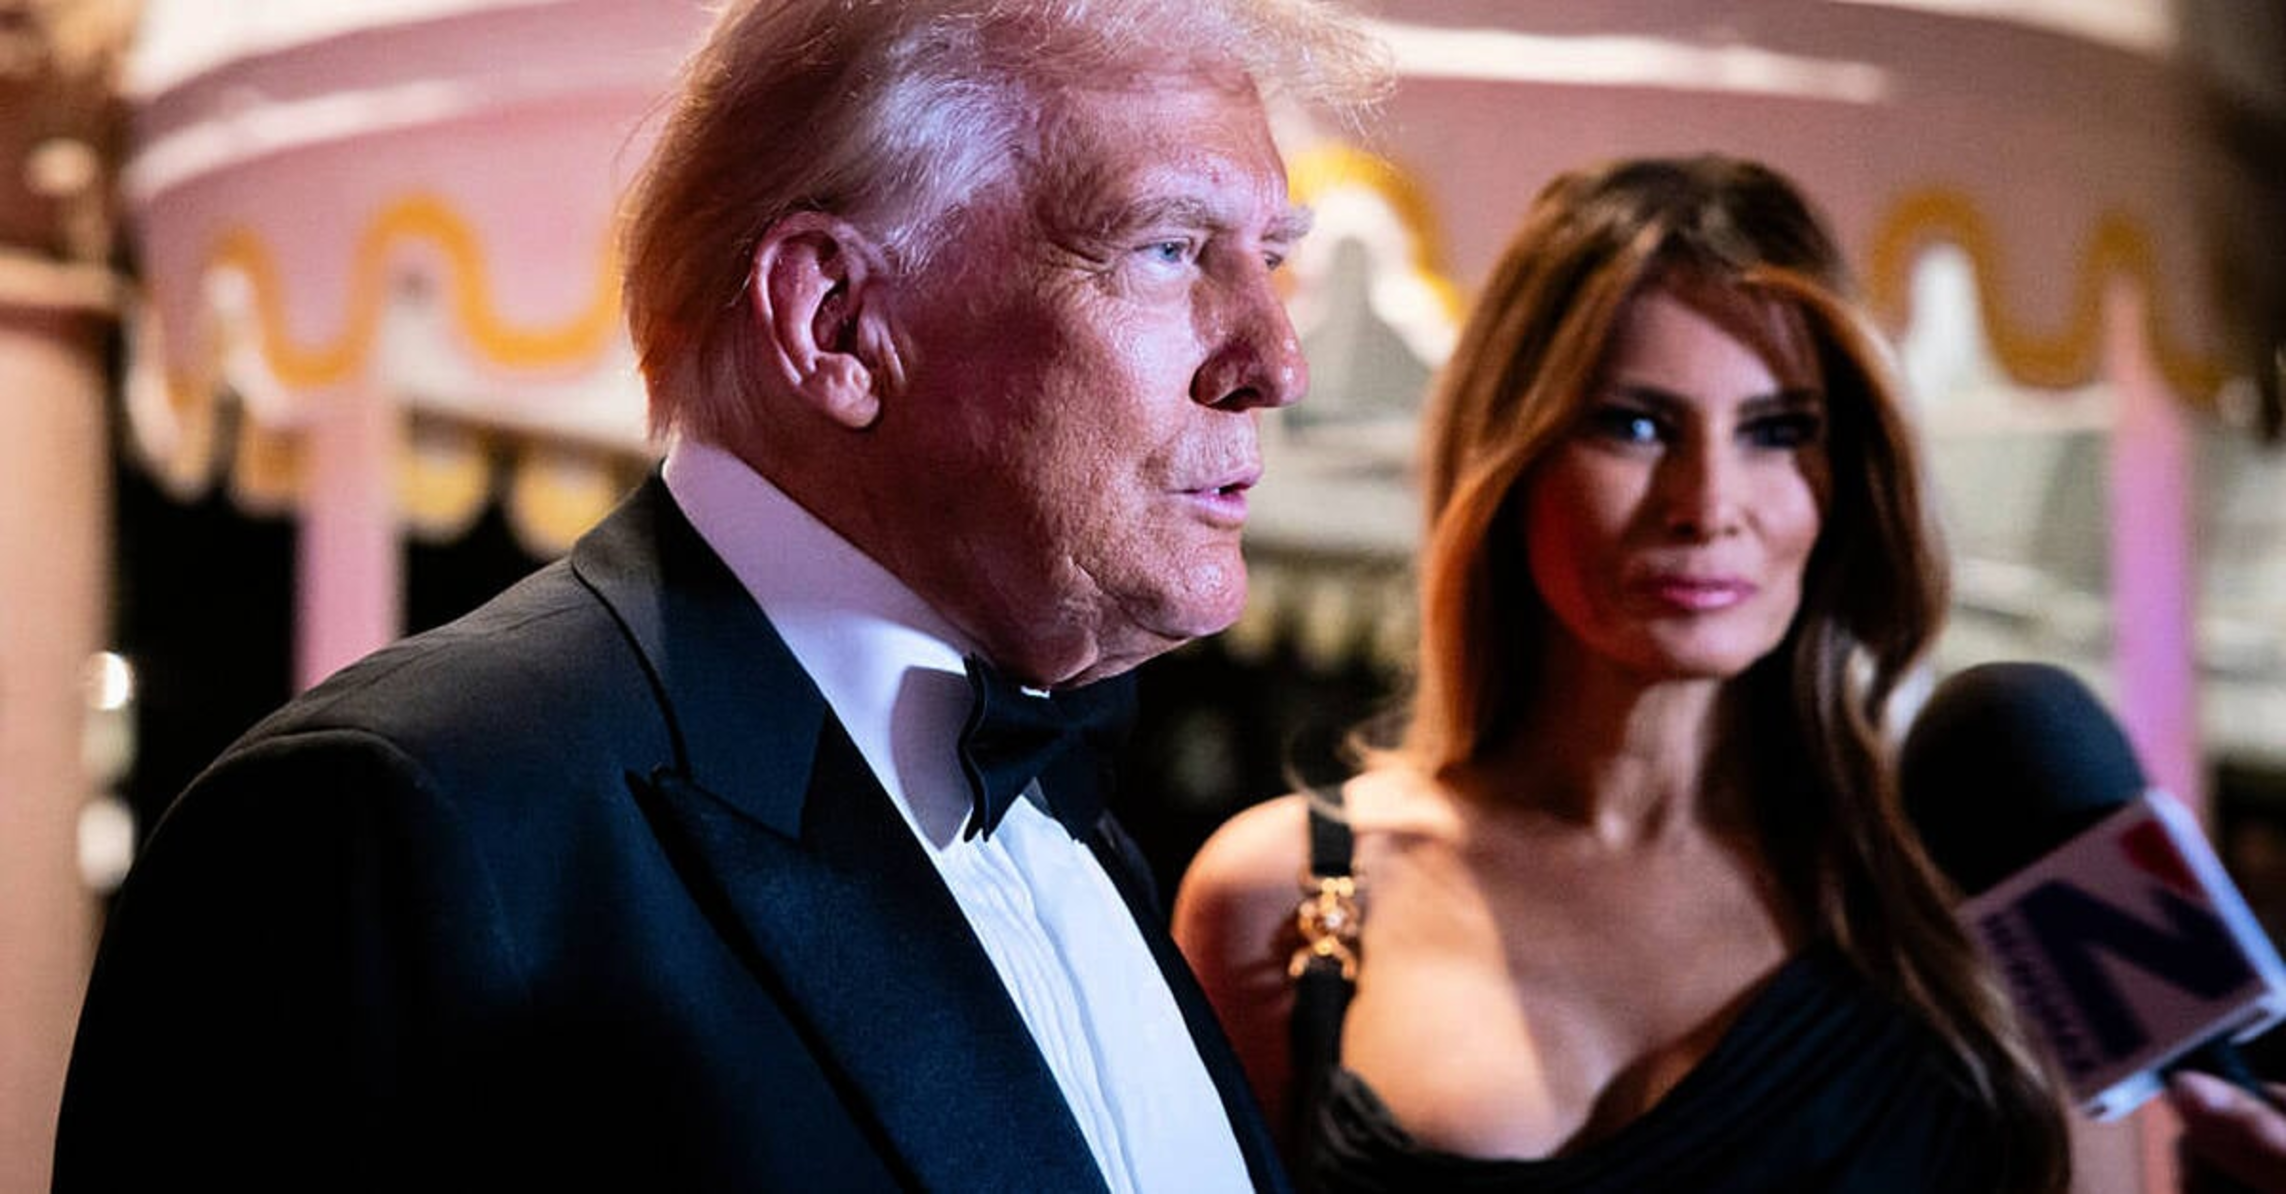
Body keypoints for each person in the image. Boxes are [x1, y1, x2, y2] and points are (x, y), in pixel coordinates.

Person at [55, 2, 1384, 1190]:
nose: (1276, 362)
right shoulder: (386, 822)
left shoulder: (1071, 824)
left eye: (1269, 258)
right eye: (1167, 248)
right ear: (836, 322)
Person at [1173, 155, 2073, 1192]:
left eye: (1778, 432)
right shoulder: (1283, 893)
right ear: (1510, 457)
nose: (1709, 505)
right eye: (1636, 425)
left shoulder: (2006, 883)